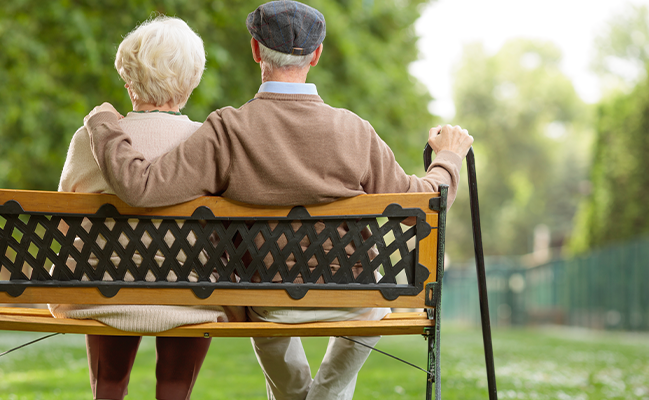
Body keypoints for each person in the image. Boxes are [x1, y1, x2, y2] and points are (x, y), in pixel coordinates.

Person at [82, 1, 474, 399]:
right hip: (354, 299)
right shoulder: (354, 131)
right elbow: (424, 204)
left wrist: (102, 124)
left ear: (255, 50)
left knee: (260, 298)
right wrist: (448, 157)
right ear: (316, 55)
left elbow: (142, 187)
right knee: (375, 304)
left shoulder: (228, 130)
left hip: (269, 302)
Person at [49, 16, 243, 400]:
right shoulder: (207, 142)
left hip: (101, 293)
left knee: (109, 384)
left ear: (128, 79)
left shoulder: (89, 139)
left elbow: (65, 218)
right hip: (190, 298)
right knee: (174, 388)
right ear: (192, 81)